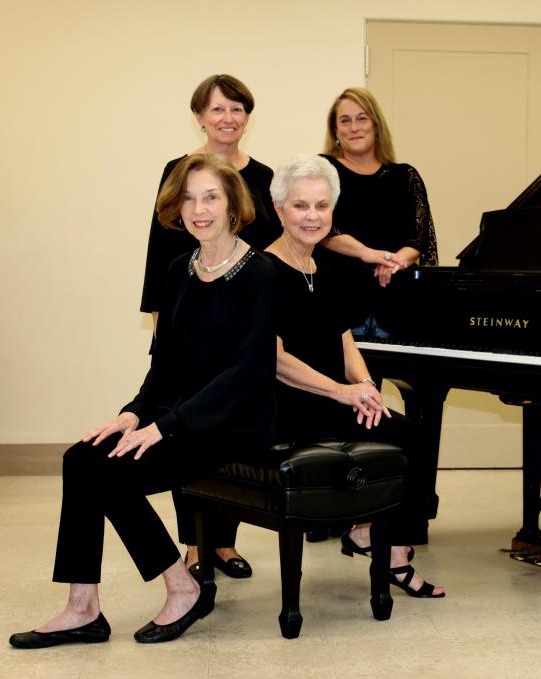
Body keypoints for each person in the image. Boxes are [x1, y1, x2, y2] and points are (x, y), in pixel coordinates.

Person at [9, 154, 277, 648]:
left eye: (211, 197)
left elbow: (245, 374)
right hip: (179, 417)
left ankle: (181, 586)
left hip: (233, 424)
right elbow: (166, 366)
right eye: (190, 198)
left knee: (107, 474)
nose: (199, 209)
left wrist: (164, 427)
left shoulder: (261, 274)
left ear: (233, 204)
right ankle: (83, 606)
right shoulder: (181, 269)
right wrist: (132, 413)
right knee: (82, 458)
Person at [266, 154, 443, 598]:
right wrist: (342, 393)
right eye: (301, 206)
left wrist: (364, 386)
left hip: (332, 397)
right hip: (285, 405)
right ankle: (379, 546)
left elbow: (344, 337)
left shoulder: (323, 269)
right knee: (401, 436)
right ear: (280, 210)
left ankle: (383, 545)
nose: (312, 216)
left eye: (322, 206)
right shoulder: (262, 270)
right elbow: (274, 359)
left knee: (411, 436)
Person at [140, 74, 281, 579]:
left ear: (248, 117)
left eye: (237, 109)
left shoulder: (263, 176)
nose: (228, 119)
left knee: (227, 423)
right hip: (186, 317)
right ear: (199, 116)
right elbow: (160, 254)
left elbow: (273, 250)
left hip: (239, 320)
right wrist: (161, 326)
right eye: (218, 109)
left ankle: (224, 542)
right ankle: (194, 543)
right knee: (181, 419)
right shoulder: (178, 171)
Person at [318, 87, 438, 338]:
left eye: (362, 118)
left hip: (395, 303)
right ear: (336, 131)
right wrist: (370, 254)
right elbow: (321, 228)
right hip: (338, 303)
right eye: (345, 120)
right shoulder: (322, 170)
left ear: (375, 126)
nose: (354, 127)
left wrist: (395, 262)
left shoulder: (406, 176)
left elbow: (419, 237)